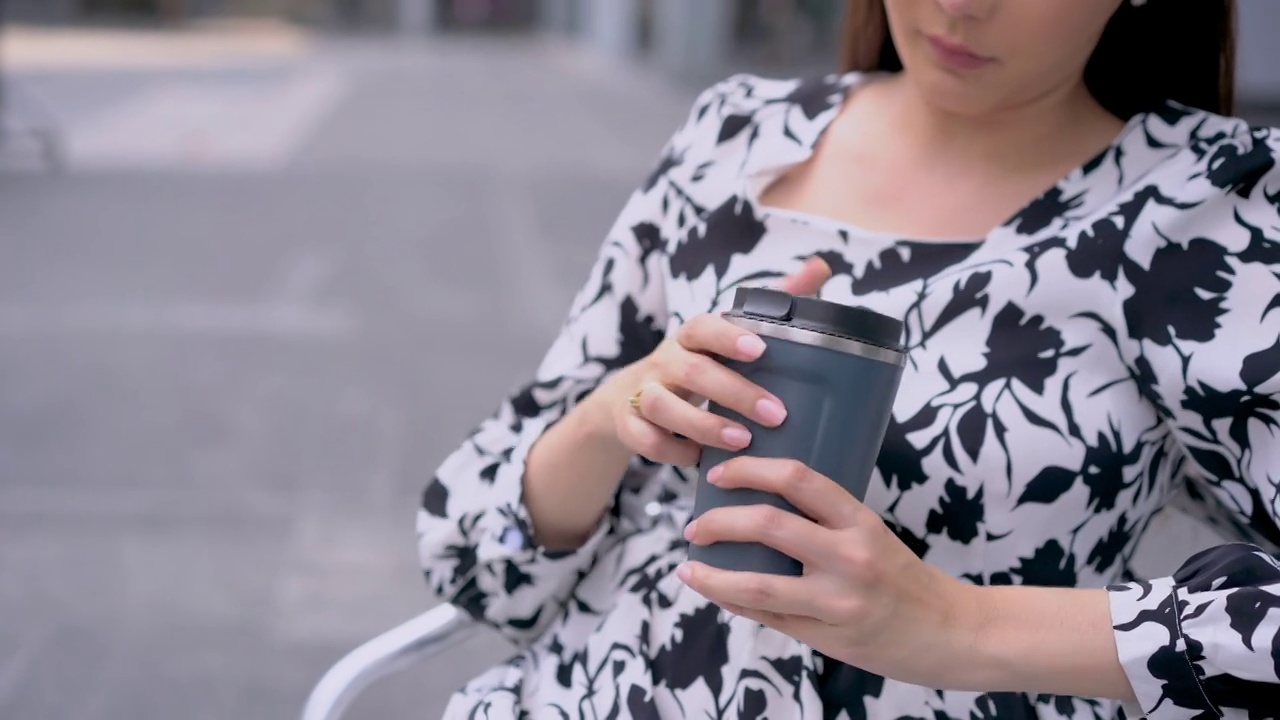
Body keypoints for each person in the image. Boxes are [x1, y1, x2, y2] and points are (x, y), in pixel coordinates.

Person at [417, 0, 1280, 717]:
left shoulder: (1206, 212)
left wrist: (961, 625)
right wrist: (616, 414)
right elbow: (476, 561)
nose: (961, 5)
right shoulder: (738, 137)